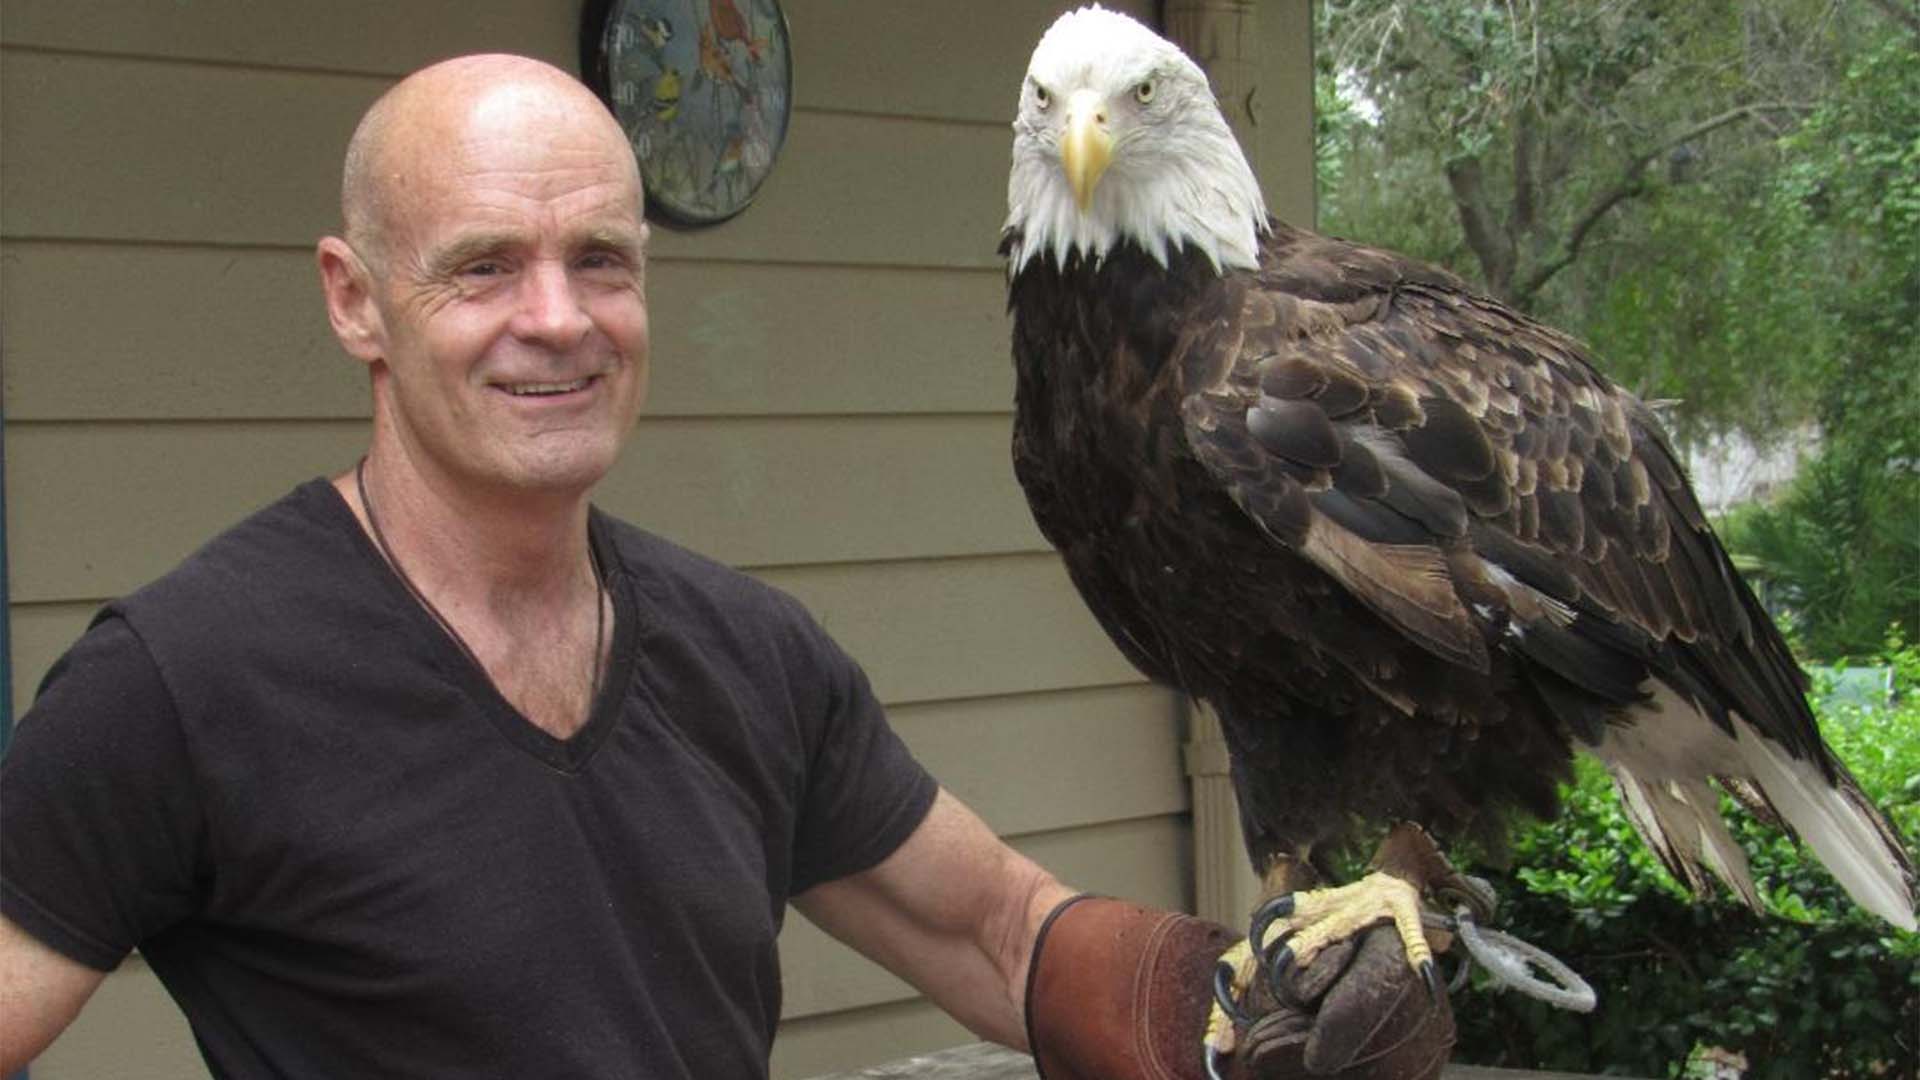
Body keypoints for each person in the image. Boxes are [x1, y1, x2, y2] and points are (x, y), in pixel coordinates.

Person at [0, 54, 1447, 1079]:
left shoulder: (743, 652)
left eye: (604, 262)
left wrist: (1224, 1012)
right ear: (355, 302)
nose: (557, 320)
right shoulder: (182, 683)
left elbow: (998, 934)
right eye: (485, 266)